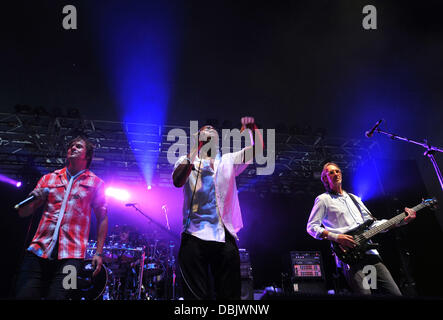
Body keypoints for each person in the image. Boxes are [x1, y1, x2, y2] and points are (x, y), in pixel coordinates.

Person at [172, 117, 262, 300]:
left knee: (229, 295)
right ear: (199, 136)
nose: (210, 130)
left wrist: (253, 129)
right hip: (194, 234)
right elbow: (177, 181)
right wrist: (196, 147)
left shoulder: (228, 160)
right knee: (196, 297)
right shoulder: (187, 160)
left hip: (224, 235)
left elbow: (257, 150)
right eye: (206, 129)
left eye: (213, 130)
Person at [15, 136, 108, 300]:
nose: (73, 148)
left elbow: (102, 218)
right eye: (71, 146)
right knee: (24, 294)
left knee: (62, 297)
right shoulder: (49, 178)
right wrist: (32, 199)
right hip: (38, 252)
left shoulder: (96, 184)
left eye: (78, 146)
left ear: (87, 155)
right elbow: (23, 213)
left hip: (73, 258)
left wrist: (98, 253)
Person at [306, 162, 416, 296]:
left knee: (393, 293)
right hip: (349, 256)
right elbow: (311, 227)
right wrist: (337, 237)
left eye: (337, 171)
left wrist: (401, 221)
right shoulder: (323, 200)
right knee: (365, 294)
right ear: (325, 178)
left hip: (370, 254)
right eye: (331, 172)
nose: (335, 174)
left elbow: (373, 224)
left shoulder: (355, 198)